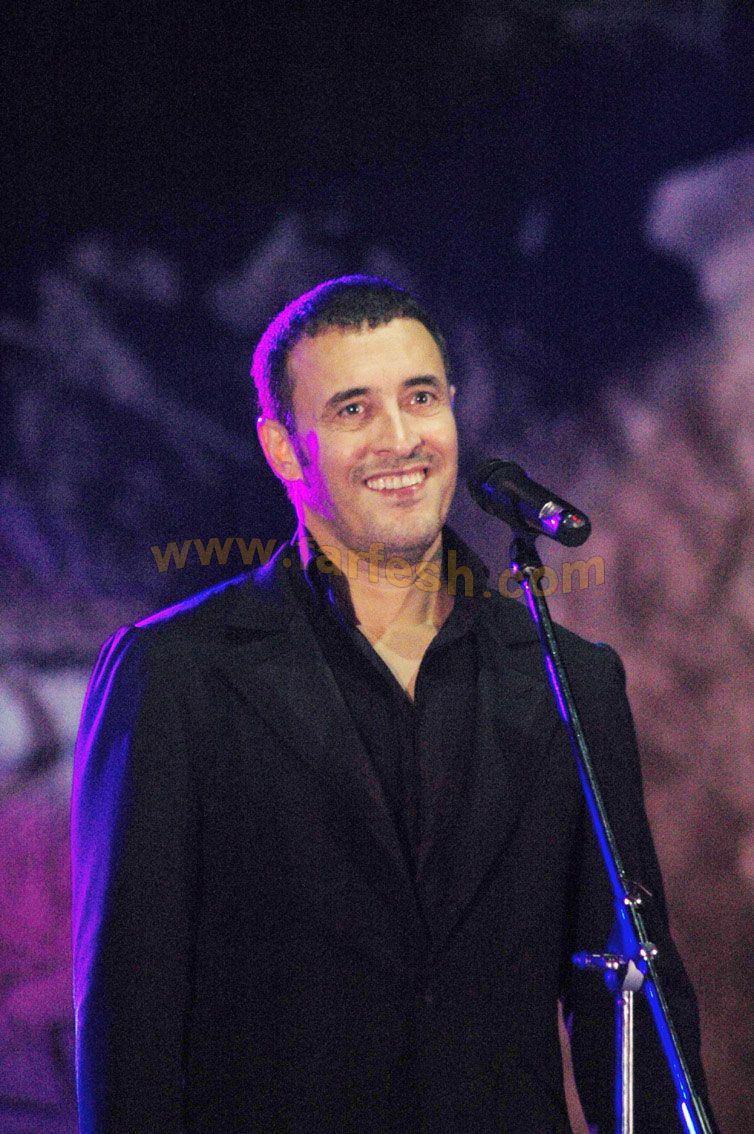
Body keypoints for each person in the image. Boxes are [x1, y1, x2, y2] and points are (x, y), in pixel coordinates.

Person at [71, 275, 715, 1132]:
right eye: (353, 410)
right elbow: (130, 1024)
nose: (401, 439)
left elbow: (631, 1010)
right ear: (283, 448)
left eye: (420, 398)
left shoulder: (568, 679)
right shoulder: (176, 674)